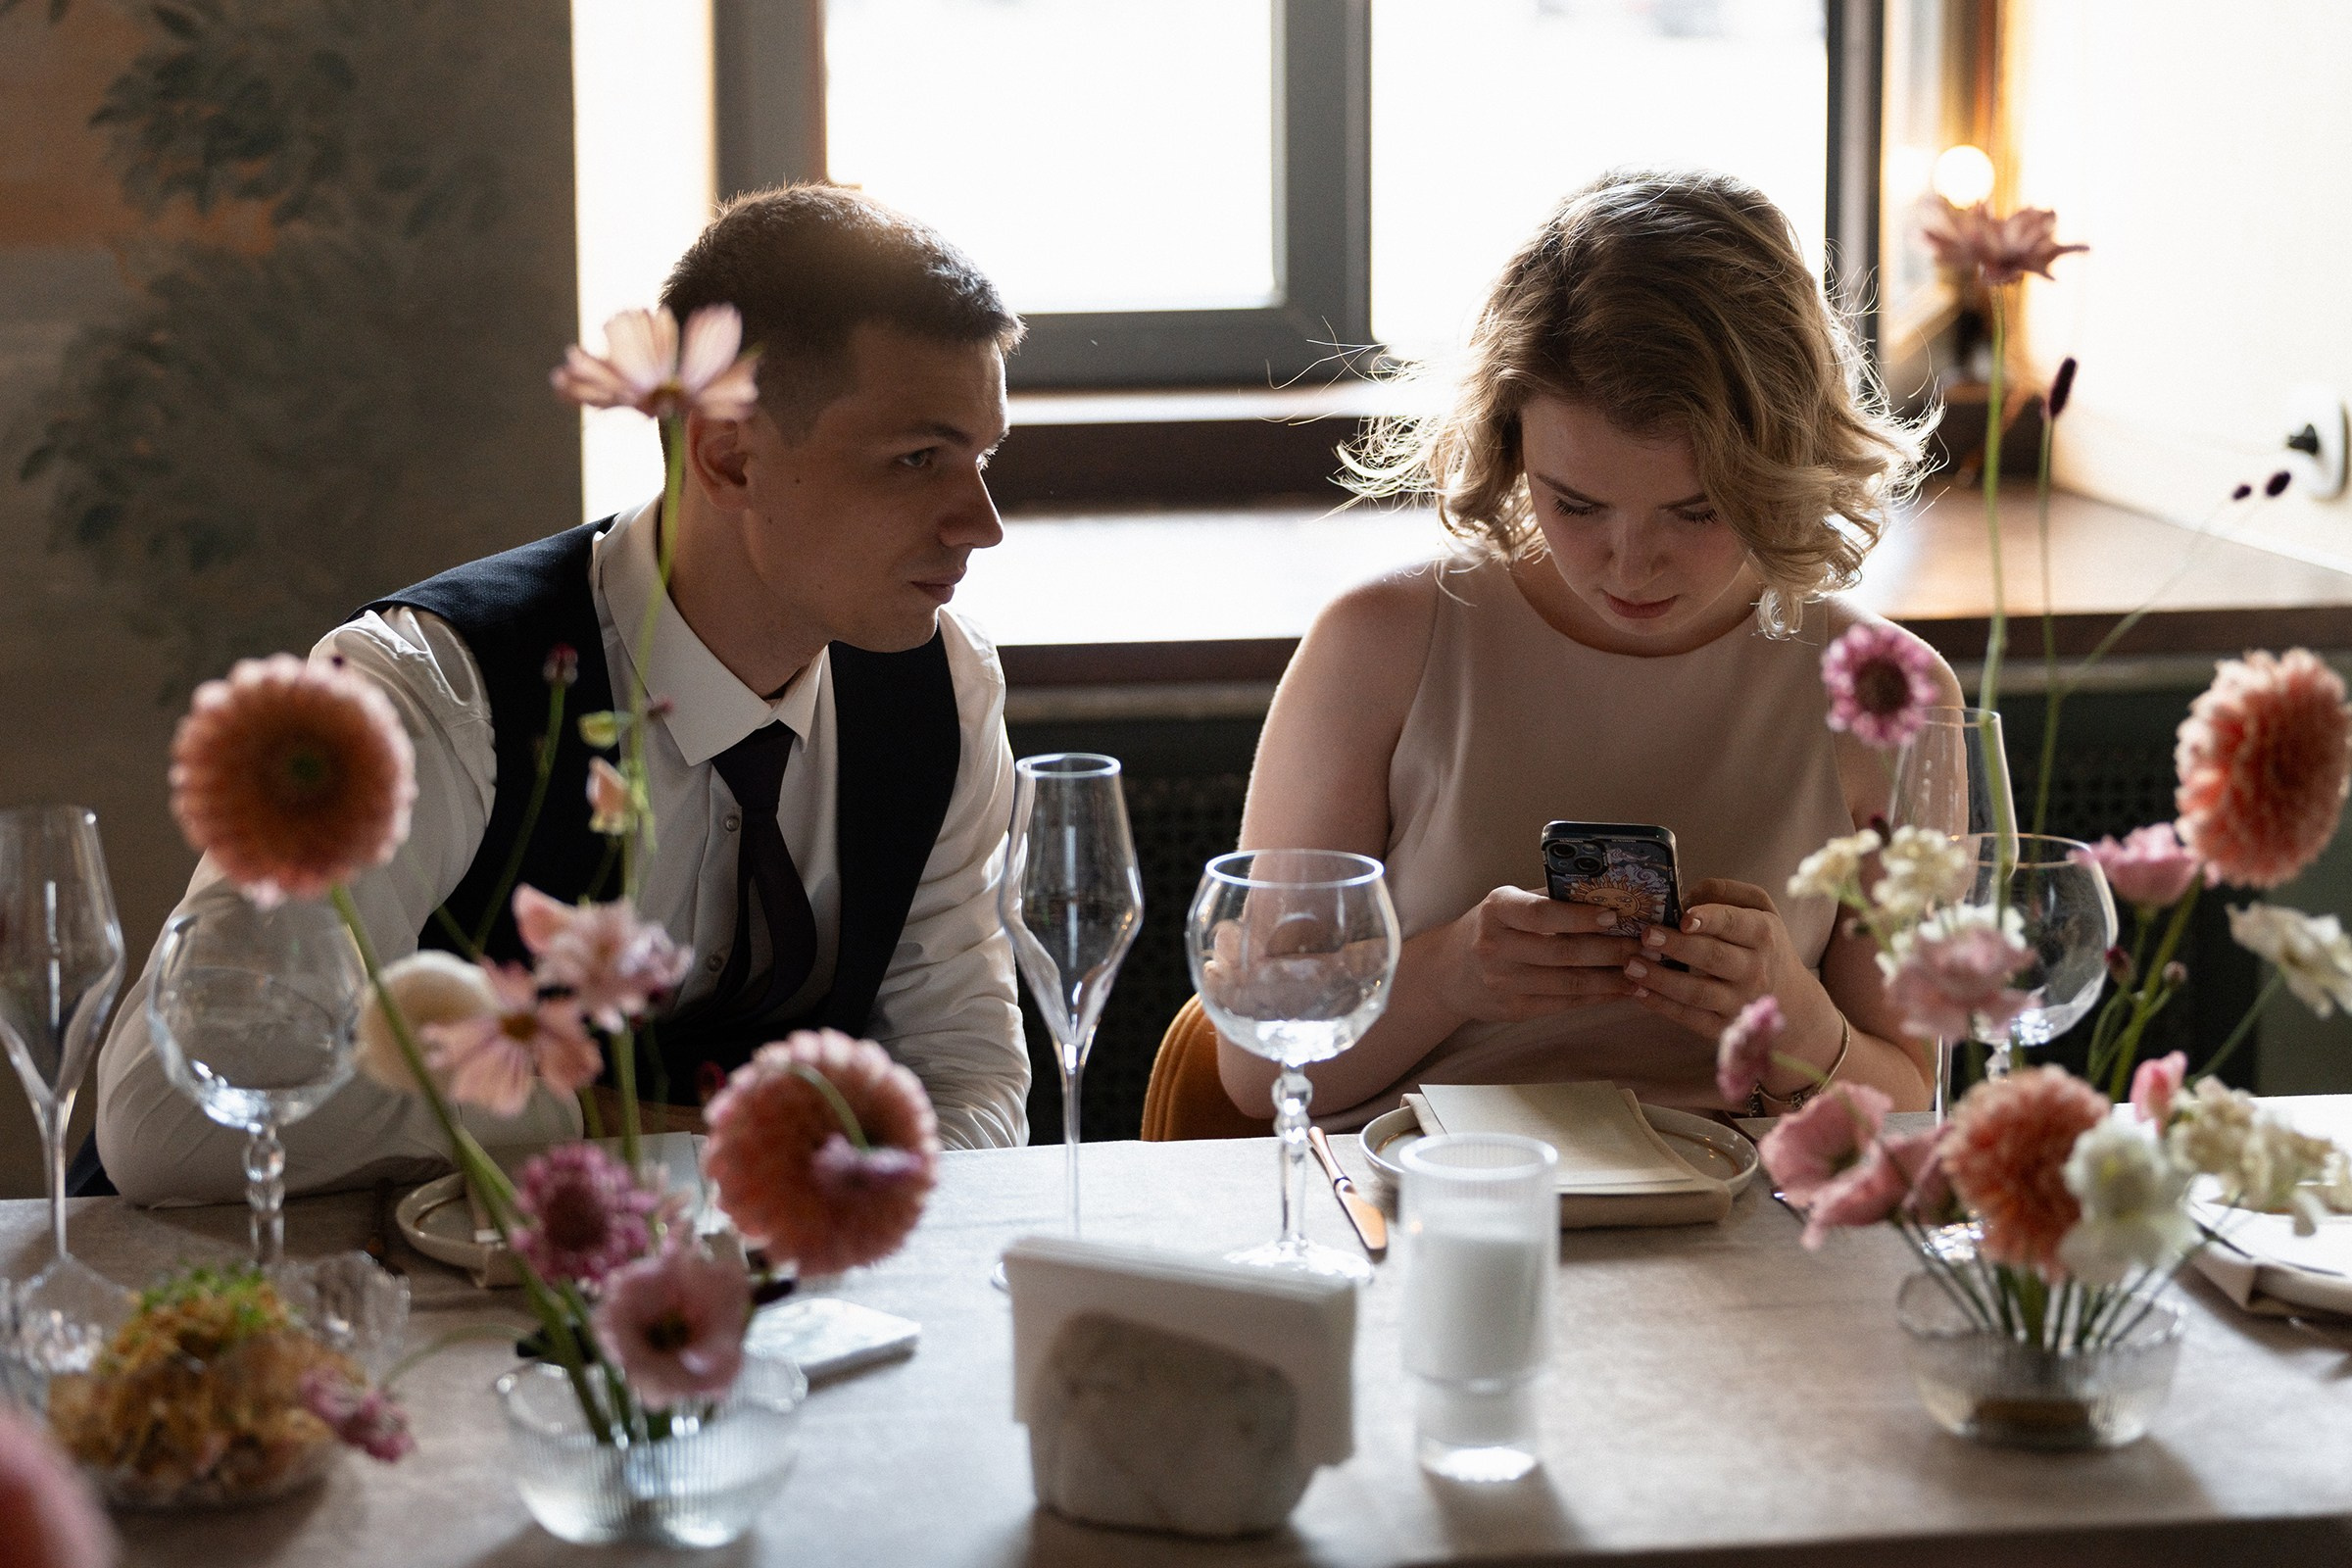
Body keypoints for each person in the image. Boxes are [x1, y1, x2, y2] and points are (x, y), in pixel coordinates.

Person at [96, 185, 1031, 1204]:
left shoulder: (945, 693)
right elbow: (170, 1115)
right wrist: (594, 1122)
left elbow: (971, 1080)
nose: (980, 524)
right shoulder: (427, 694)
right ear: (729, 456)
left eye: (982, 459)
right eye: (919, 459)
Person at [1224, 169, 1953, 1129]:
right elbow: (1252, 1066)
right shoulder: (1380, 647)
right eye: (1575, 504)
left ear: (1782, 465)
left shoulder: (1887, 696)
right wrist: (1449, 975)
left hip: (1747, 1240)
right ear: (1508, 446)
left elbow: (1916, 1103)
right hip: (1433, 1208)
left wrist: (1796, 1022)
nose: (1630, 563)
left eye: (1695, 510)